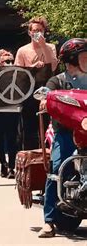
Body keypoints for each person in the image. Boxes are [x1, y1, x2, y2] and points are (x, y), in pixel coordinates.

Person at [37, 38, 87, 238]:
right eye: (84, 56)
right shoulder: (58, 80)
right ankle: (49, 221)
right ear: (72, 60)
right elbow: (47, 94)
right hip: (66, 132)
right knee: (56, 168)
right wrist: (45, 100)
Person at [15, 17, 57, 150]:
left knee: (46, 127)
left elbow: (54, 66)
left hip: (46, 91)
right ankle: (31, 160)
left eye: (40, 30)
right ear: (29, 33)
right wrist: (32, 66)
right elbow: (17, 73)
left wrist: (43, 45)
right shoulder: (23, 51)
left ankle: (47, 157)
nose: (37, 33)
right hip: (29, 92)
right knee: (28, 129)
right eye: (34, 30)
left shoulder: (50, 47)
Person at [0, 49, 21, 178]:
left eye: (11, 61)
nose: (9, 63)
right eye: (6, 61)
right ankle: (3, 164)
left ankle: (11, 167)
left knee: (12, 138)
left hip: (12, 110)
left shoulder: (18, 74)